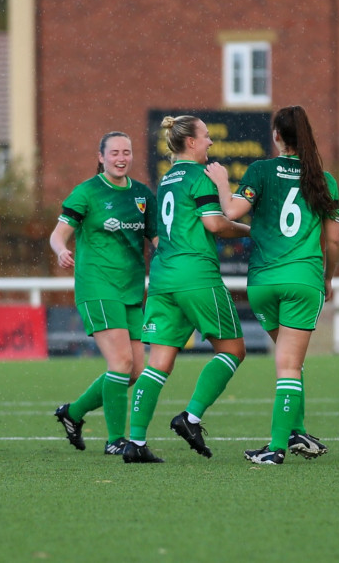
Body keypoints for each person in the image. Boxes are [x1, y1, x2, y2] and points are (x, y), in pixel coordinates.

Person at [206, 105, 339, 465]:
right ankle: (276, 448)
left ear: (277, 137)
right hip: (303, 280)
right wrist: (327, 277)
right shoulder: (323, 179)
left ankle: (294, 432)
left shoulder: (261, 170)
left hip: (263, 281)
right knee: (290, 366)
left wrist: (222, 181)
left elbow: (231, 213)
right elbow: (334, 242)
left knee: (288, 361)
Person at [122, 115, 251, 463]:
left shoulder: (167, 180)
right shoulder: (200, 176)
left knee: (158, 364)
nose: (210, 142)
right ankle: (190, 417)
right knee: (233, 350)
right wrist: (249, 230)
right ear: (191, 142)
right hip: (196, 276)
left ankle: (134, 443)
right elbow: (214, 224)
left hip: (163, 277)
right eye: (206, 136)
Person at [50, 131, 158, 455]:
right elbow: (58, 234)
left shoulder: (142, 195)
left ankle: (73, 413)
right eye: (114, 153)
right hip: (97, 286)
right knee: (121, 361)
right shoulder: (87, 192)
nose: (121, 158)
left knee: (136, 370)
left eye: (126, 152)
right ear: (101, 157)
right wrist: (60, 250)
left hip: (131, 289)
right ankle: (115, 441)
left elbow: (155, 240)